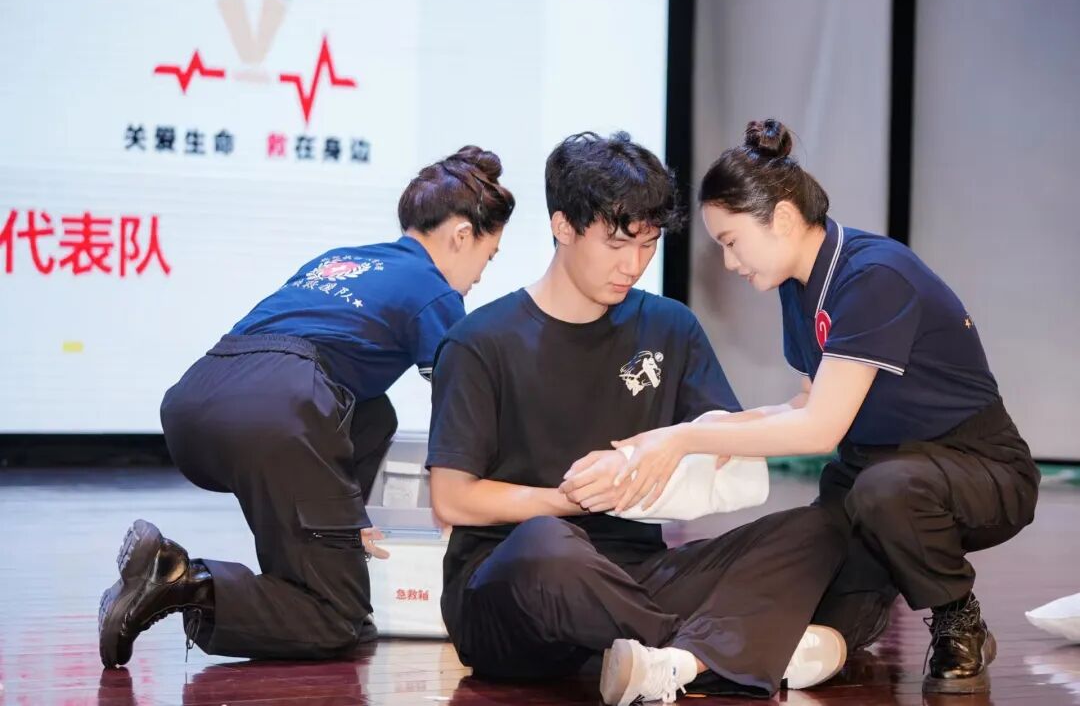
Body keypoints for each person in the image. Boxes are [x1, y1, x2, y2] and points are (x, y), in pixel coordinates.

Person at [611, 119, 1040, 694]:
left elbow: (818, 430)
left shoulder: (873, 276)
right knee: (810, 555)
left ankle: (959, 617)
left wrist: (687, 437)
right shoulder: (799, 284)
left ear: (784, 218)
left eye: (731, 242)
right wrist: (719, 426)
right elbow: (809, 401)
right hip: (873, 472)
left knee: (884, 493)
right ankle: (698, 662)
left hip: (975, 468)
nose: (730, 264)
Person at [426, 131, 850, 705]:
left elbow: (720, 447)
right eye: (616, 243)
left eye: (649, 244)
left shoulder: (670, 327)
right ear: (563, 227)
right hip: (514, 588)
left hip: (636, 575)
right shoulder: (480, 342)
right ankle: (720, 654)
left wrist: (788, 414)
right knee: (547, 545)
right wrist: (573, 500)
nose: (633, 265)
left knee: (817, 528)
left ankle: (673, 660)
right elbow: (453, 499)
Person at [98, 146, 515, 667]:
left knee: (374, 413)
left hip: (195, 404)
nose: (480, 276)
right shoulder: (435, 291)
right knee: (336, 618)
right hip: (279, 412)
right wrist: (477, 493)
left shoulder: (342, 259)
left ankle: (332, 539)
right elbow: (463, 409)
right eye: (488, 257)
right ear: (461, 235)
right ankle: (181, 579)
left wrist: (345, 515)